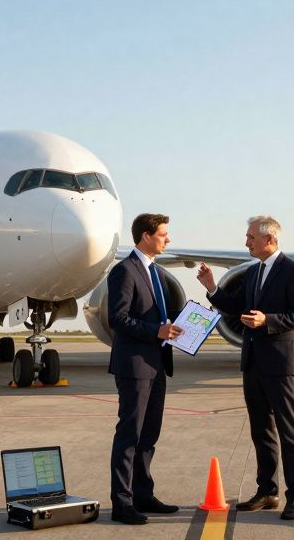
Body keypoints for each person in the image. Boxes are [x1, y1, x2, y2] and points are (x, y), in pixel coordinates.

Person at [197, 215, 294, 520]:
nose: (246, 242)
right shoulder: (253, 272)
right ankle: (267, 491)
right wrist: (211, 288)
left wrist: (267, 320)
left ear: (269, 239)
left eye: (250, 237)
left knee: (289, 432)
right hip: (253, 363)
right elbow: (235, 306)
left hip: (280, 364)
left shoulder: (292, 271)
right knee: (261, 431)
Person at [106, 213, 184, 525]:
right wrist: (156, 331)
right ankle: (121, 503)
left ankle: (143, 494)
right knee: (130, 435)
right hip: (135, 366)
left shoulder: (158, 273)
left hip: (158, 365)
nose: (168, 239)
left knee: (149, 435)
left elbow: (165, 315)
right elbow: (118, 318)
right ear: (146, 236)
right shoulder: (124, 271)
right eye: (164, 234)